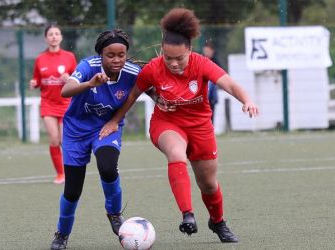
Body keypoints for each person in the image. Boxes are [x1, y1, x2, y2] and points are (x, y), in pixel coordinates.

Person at [99, 8, 259, 243]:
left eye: (179, 58)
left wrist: (247, 100)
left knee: (209, 185)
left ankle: (217, 221)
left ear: (190, 51)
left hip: (200, 127)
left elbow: (230, 84)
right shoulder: (153, 68)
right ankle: (188, 214)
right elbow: (132, 95)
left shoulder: (201, 64)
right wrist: (114, 121)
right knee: (176, 154)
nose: (173, 63)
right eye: (168, 58)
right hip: (167, 123)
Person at [50, 29, 143, 250]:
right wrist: (90, 84)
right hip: (75, 131)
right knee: (72, 190)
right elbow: (66, 90)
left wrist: (161, 99)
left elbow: (148, 87)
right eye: (110, 55)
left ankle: (114, 213)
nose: (117, 59)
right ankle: (62, 234)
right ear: (100, 54)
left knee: (108, 167)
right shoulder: (88, 66)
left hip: (106, 128)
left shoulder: (132, 72)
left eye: (121, 54)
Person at [30, 23, 77, 184]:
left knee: (66, 140)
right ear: (46, 38)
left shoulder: (69, 57)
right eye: (50, 34)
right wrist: (34, 83)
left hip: (66, 104)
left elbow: (78, 79)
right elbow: (37, 80)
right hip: (48, 104)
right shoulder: (40, 59)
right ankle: (60, 174)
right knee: (54, 139)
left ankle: (72, 171)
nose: (54, 37)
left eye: (57, 33)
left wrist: (68, 79)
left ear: (61, 37)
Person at [202, 41, 220, 124]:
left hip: (212, 93)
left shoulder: (215, 61)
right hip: (203, 91)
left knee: (211, 113)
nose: (206, 53)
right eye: (205, 51)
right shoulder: (201, 60)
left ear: (212, 51)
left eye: (208, 51)